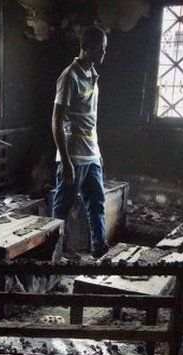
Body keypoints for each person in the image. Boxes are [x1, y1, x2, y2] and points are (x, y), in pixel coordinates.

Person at [51, 25, 109, 259]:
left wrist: (99, 152)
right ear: (89, 48)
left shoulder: (93, 75)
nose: (104, 53)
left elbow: (90, 119)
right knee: (62, 209)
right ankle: (55, 253)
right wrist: (65, 162)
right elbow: (56, 122)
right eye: (102, 49)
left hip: (91, 155)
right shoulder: (70, 76)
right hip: (73, 155)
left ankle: (99, 249)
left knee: (97, 204)